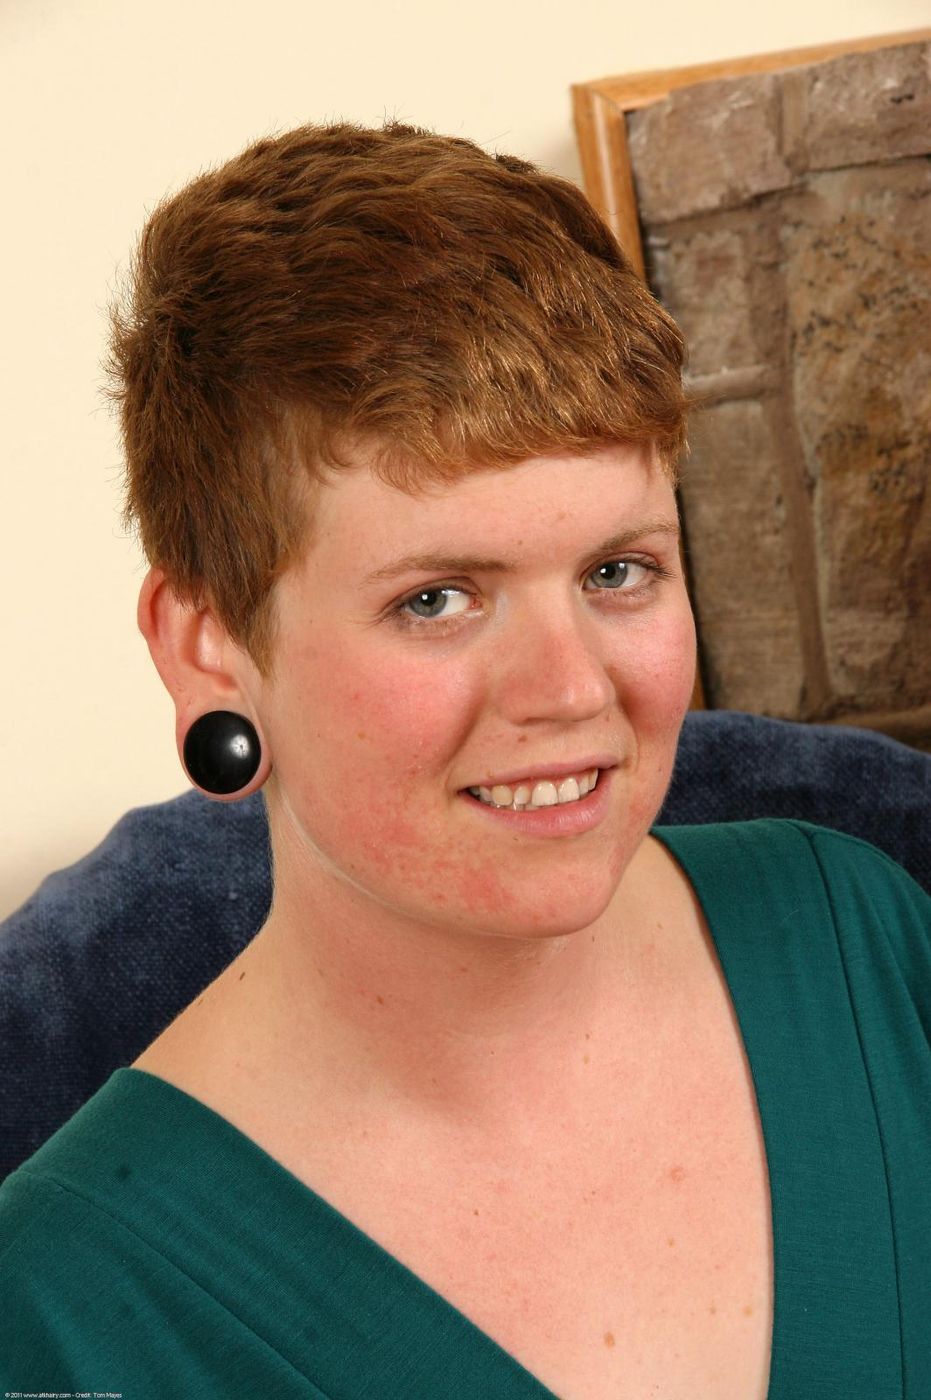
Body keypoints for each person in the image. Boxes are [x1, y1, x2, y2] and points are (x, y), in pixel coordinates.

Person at [1, 121, 929, 1400]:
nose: (571, 688)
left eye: (618, 570)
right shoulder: (61, 1305)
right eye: (436, 598)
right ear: (208, 646)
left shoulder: (865, 936)